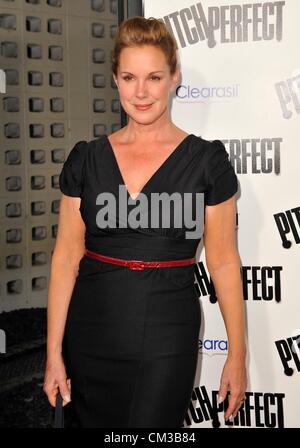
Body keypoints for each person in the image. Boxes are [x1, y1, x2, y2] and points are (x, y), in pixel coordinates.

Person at [43, 16, 247, 428]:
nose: (141, 92)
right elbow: (66, 258)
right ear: (115, 80)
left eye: (154, 77)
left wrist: (237, 356)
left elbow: (224, 262)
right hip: (92, 330)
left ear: (174, 78)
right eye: (129, 77)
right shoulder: (86, 159)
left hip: (167, 334)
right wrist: (52, 353)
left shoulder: (207, 162)